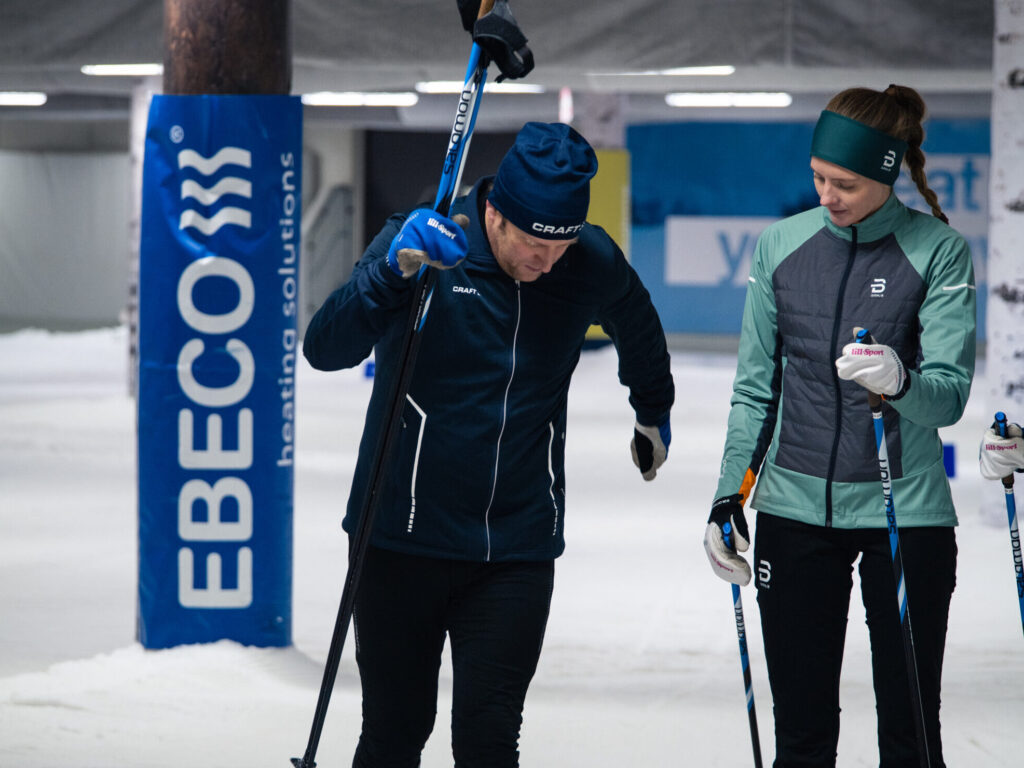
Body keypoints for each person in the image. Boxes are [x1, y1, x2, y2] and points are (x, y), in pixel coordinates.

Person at [303, 121, 674, 767]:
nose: (546, 261)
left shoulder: (587, 260)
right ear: (494, 211)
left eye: (559, 247)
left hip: (516, 545)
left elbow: (638, 327)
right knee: (395, 729)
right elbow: (325, 348)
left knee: (489, 739)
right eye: (533, 244)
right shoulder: (425, 242)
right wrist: (390, 273)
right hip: (400, 536)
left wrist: (653, 410)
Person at [702, 85, 976, 767]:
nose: (827, 194)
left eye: (846, 183)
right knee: (801, 733)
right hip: (794, 512)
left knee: (912, 733)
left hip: (904, 512)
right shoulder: (781, 248)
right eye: (819, 176)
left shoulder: (938, 252)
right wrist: (729, 496)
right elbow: (753, 390)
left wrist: (900, 381)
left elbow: (948, 399)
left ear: (887, 172)